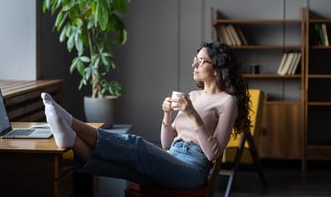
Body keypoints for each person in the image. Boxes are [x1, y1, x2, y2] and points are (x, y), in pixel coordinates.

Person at [41, 41, 250, 189]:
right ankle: (72, 138)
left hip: (192, 168)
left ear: (217, 67)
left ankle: (71, 122)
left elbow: (214, 153)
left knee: (138, 145)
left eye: (201, 61)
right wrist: (167, 115)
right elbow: (167, 142)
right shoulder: (192, 96)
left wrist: (192, 115)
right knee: (119, 167)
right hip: (172, 155)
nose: (194, 65)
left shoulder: (227, 101)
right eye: (195, 60)